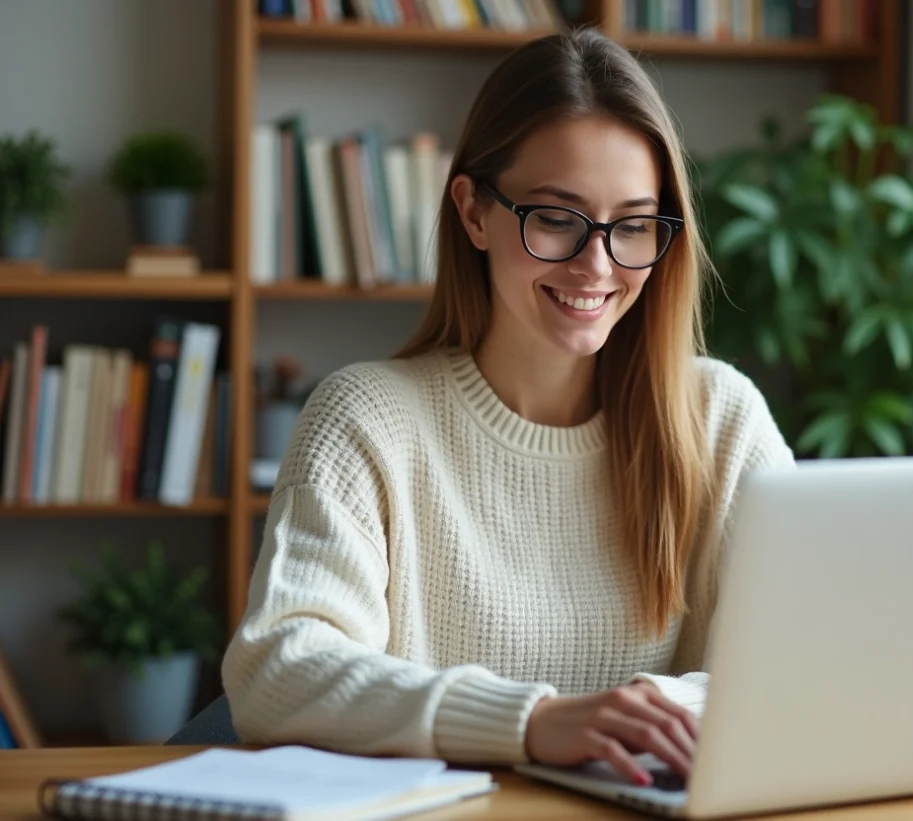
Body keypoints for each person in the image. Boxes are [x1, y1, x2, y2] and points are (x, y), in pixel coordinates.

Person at [220, 27, 794, 787]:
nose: (597, 265)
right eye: (556, 218)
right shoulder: (366, 420)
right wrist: (531, 723)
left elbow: (803, 660)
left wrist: (646, 714)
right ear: (473, 212)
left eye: (633, 225)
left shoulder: (721, 418)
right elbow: (278, 669)